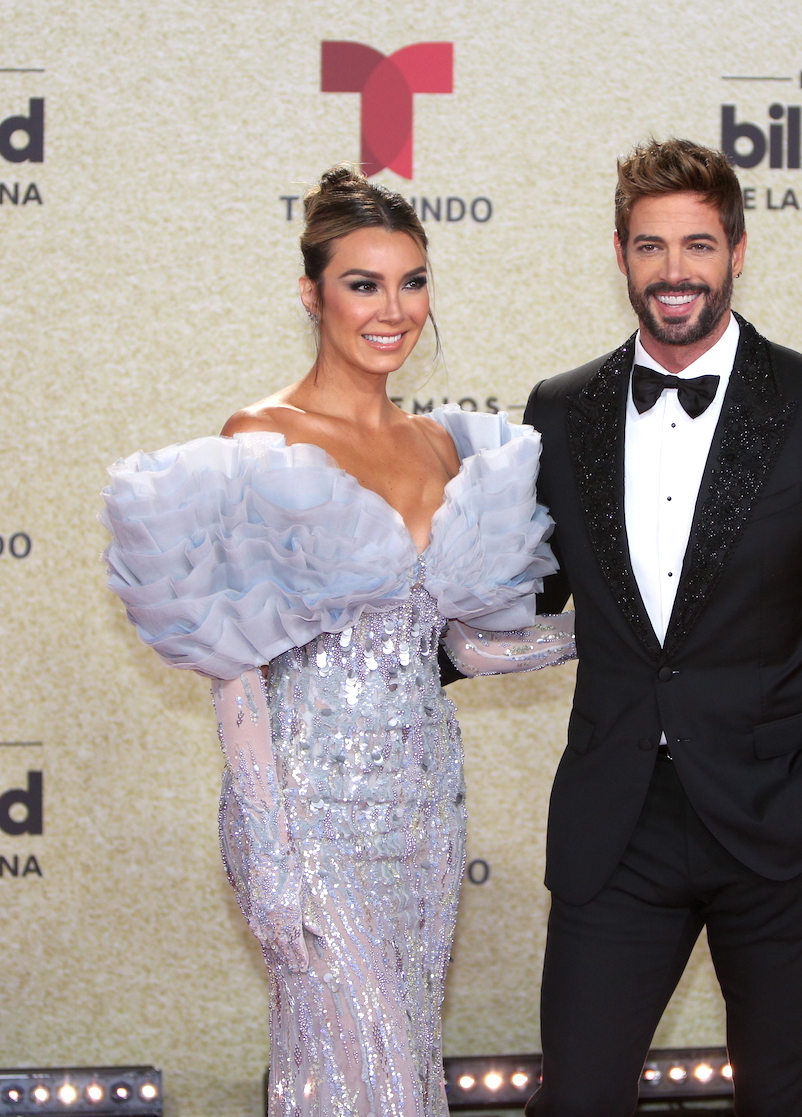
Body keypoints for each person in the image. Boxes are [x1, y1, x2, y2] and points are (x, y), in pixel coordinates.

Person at [100, 166, 574, 1117]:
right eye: (364, 284)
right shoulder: (262, 436)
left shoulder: (440, 448)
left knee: (405, 1063)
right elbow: (234, 673)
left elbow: (462, 650)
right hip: (306, 810)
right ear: (312, 292)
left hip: (423, 808)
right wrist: (271, 852)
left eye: (412, 281)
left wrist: (599, 636)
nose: (392, 310)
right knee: (365, 1070)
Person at [521, 138, 802, 1117]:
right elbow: (524, 602)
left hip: (780, 814)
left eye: (698, 244)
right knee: (575, 1095)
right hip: (616, 820)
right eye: (650, 246)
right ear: (619, 254)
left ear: (738, 251)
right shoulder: (559, 410)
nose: (675, 271)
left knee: (782, 1098)